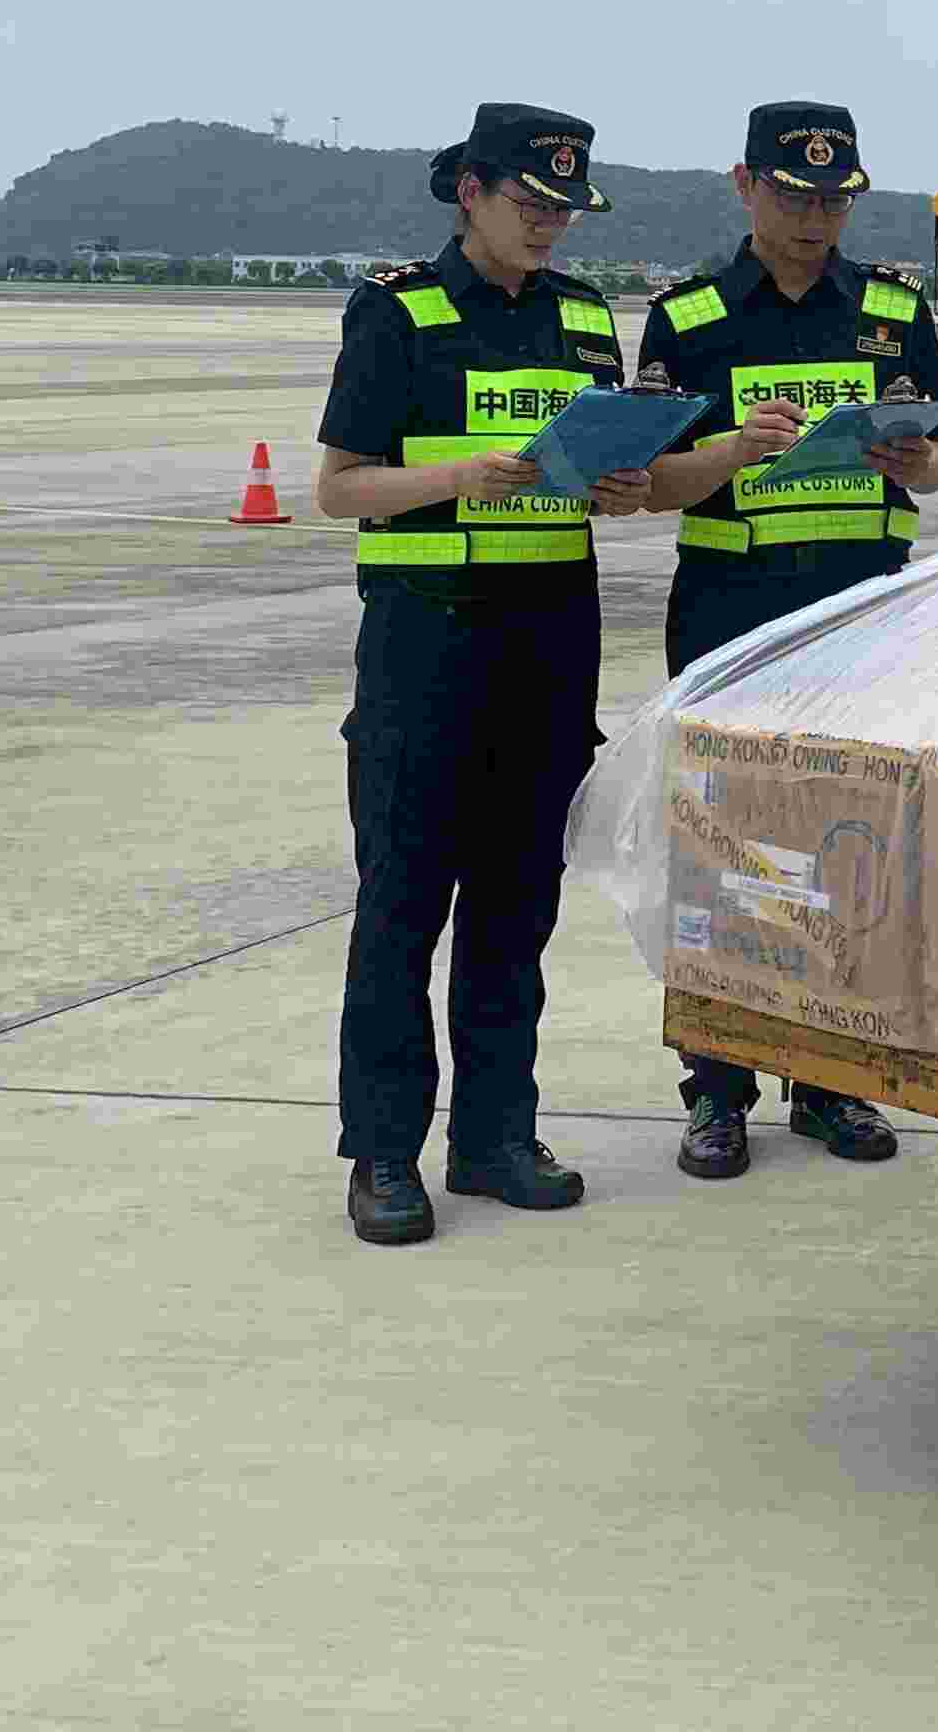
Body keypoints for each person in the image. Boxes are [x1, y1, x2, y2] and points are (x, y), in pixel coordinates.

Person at [314, 103, 654, 1248]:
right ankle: (384, 1152)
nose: (549, 225)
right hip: (426, 653)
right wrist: (460, 476)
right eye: (530, 203)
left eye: (566, 208)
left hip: (547, 655)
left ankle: (497, 1136)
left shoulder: (583, 316)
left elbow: (604, 471)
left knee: (516, 913)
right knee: (403, 909)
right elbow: (339, 486)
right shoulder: (399, 310)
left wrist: (618, 485)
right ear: (471, 193)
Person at [638, 100, 938, 1181]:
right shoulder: (690, 319)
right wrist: (735, 448)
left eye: (835, 197)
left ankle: (832, 1080)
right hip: (733, 619)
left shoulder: (890, 309)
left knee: (850, 850)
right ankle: (717, 1086)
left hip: (864, 623)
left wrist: (917, 464)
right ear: (745, 186)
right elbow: (652, 486)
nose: (816, 215)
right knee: (721, 855)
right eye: (794, 194)